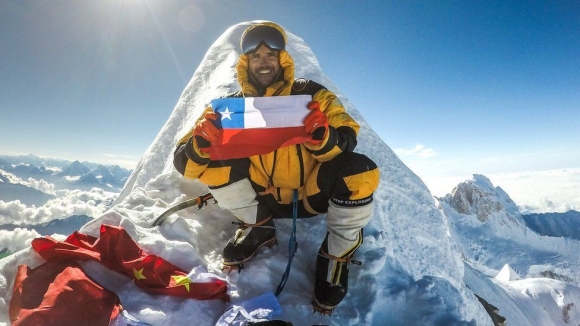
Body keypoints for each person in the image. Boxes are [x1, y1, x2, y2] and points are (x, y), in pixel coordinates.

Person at [173, 21, 380, 313]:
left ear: (282, 58)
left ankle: (336, 255)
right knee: (211, 161)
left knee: (359, 171)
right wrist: (201, 145)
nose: (263, 61)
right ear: (246, 62)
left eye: (270, 54)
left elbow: (347, 136)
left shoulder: (311, 95)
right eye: (255, 56)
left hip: (309, 194)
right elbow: (185, 161)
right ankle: (258, 227)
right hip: (262, 197)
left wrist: (323, 137)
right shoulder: (228, 108)